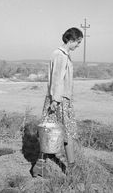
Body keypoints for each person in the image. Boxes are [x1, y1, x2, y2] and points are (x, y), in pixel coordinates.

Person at [32, 27, 83, 177]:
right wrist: (55, 101)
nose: (78, 46)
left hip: (57, 99)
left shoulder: (61, 54)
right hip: (58, 101)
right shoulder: (60, 55)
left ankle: (39, 167)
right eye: (78, 42)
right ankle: (72, 169)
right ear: (70, 39)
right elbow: (57, 79)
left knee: (50, 134)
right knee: (65, 134)